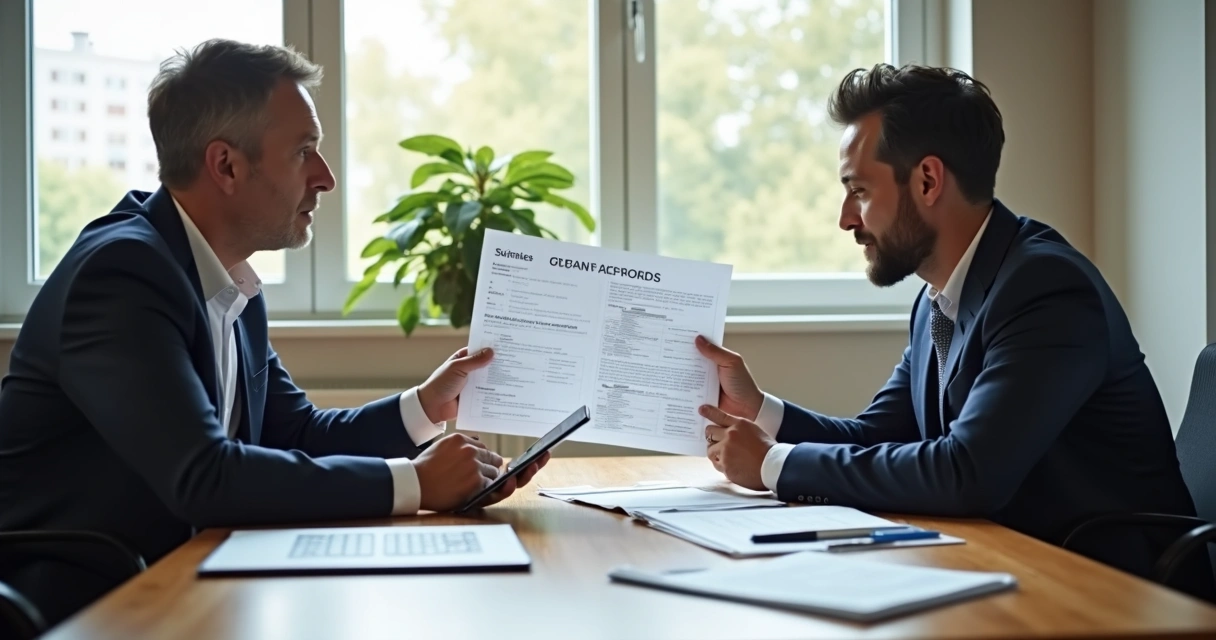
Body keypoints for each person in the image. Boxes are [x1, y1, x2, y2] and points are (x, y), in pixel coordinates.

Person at [0, 39, 546, 624]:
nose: (327, 178)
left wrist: (424, 406)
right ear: (226, 165)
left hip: (183, 582)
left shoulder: (226, 276)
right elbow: (204, 476)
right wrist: (414, 483)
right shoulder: (121, 275)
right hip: (88, 603)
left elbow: (294, 433)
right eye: (304, 151)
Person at [695, 63, 1204, 589]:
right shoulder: (938, 300)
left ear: (928, 180)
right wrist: (759, 411)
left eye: (859, 191)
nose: (846, 218)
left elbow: (968, 473)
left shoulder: (1046, 287)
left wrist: (775, 465)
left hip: (1114, 591)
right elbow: (876, 435)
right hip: (1009, 566)